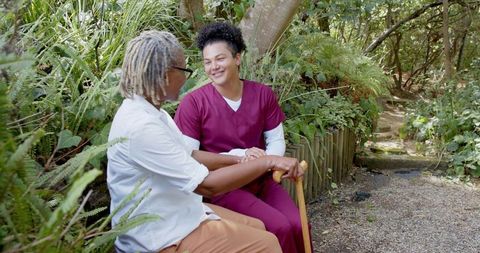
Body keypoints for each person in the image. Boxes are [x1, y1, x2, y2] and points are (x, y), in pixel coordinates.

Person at [107, 30, 303, 253]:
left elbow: (190, 155)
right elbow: (206, 184)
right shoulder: (142, 126)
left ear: (237, 58)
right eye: (185, 70)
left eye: (220, 59)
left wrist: (241, 159)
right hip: (161, 234)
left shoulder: (155, 113)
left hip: (180, 213)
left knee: (260, 226)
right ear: (164, 74)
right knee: (267, 244)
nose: (187, 77)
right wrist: (266, 162)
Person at [174, 22, 310, 253]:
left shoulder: (263, 94)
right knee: (278, 227)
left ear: (237, 58)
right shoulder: (193, 103)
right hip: (224, 187)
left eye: (220, 59)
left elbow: (276, 141)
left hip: (262, 180)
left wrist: (267, 161)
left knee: (298, 225)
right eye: (207, 62)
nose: (213, 67)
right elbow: (189, 156)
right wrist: (240, 157)